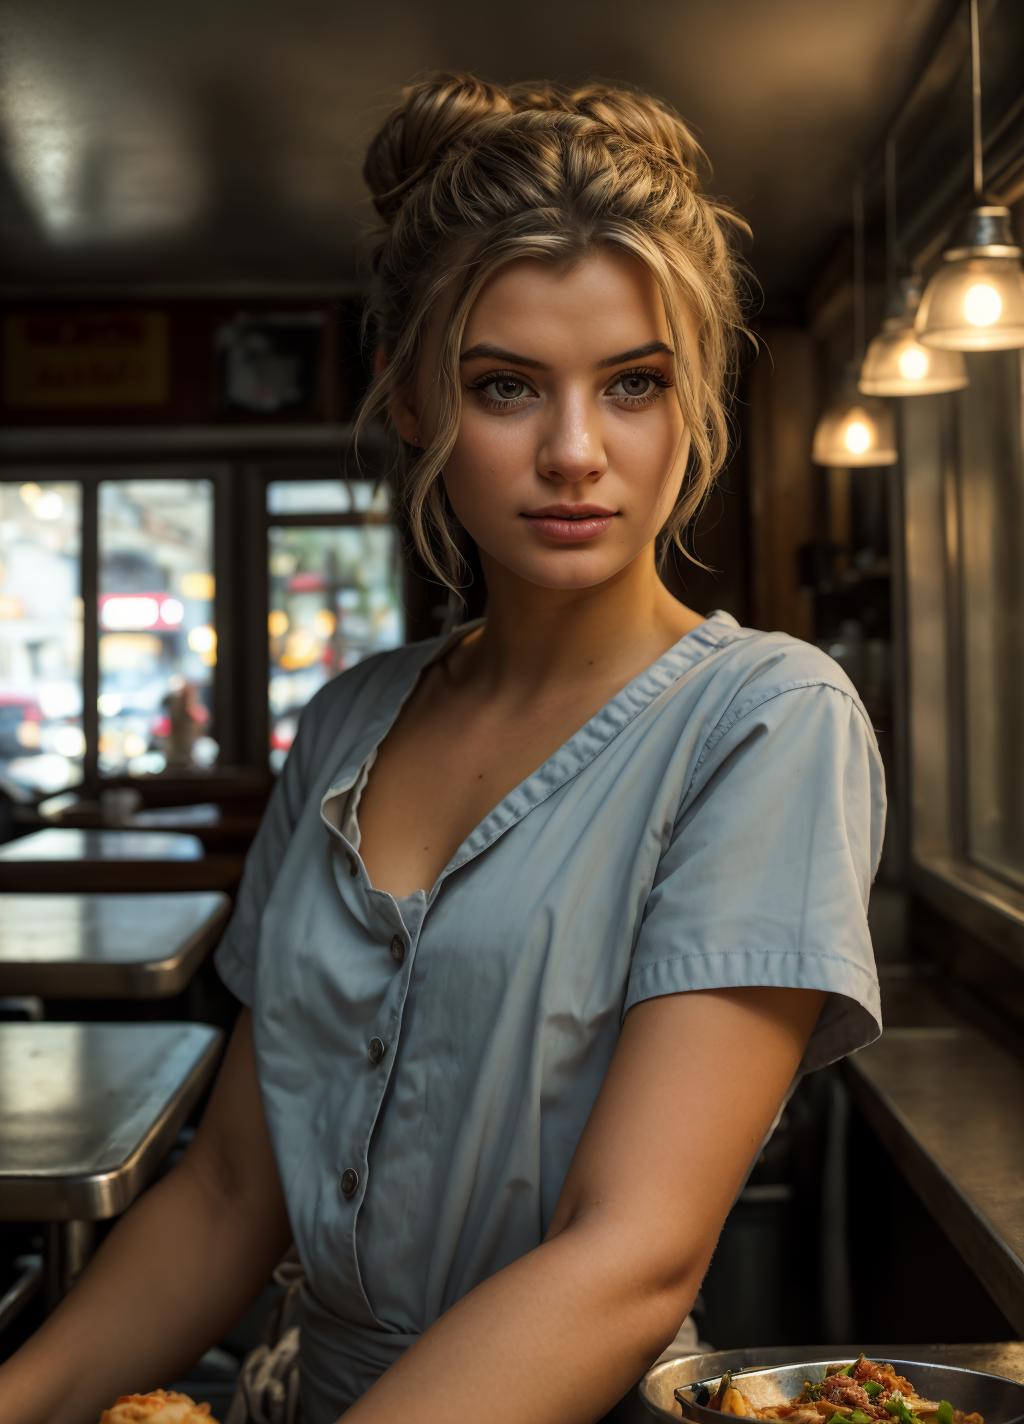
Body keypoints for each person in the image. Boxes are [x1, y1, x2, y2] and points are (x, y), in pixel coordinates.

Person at [0, 71, 886, 1424]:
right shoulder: (353, 720)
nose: (576, 452)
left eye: (635, 384)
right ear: (412, 400)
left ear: (696, 394)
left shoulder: (765, 718)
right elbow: (237, 1191)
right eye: (507, 386)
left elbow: (631, 1259)